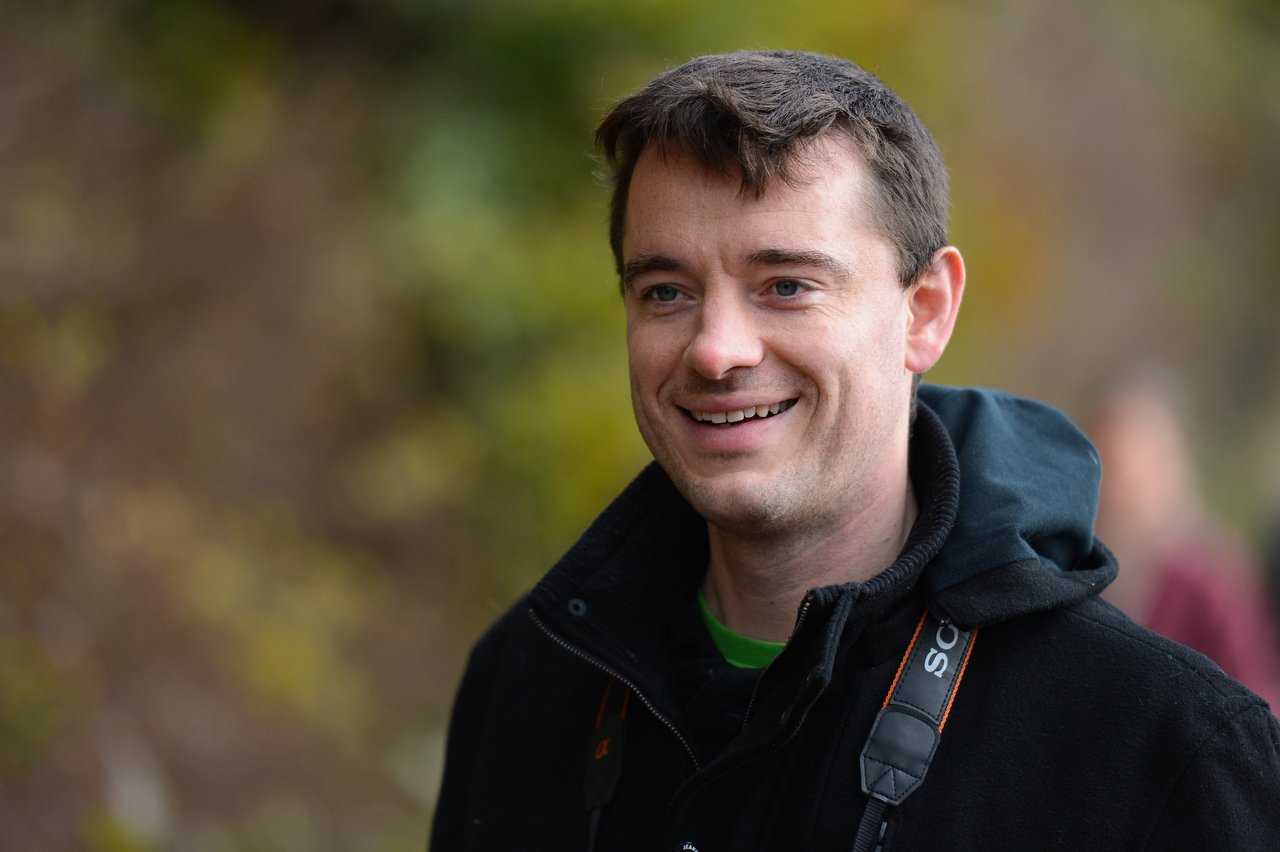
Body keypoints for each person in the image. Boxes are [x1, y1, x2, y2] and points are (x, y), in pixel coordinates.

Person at [430, 51, 1280, 851]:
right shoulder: (528, 683)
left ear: (925, 311)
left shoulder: (1162, 752)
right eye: (666, 291)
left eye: (787, 286)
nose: (715, 350)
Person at [1088, 369, 1280, 708]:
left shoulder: (1213, 579)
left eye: (1142, 459)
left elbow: (1257, 698)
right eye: (1114, 460)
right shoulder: (1077, 563)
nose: (1126, 481)